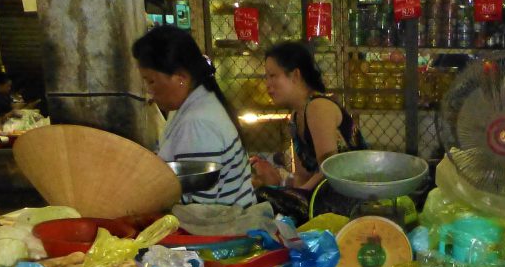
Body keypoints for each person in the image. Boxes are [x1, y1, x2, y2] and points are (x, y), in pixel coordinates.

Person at [132, 26, 256, 207]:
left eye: (151, 81)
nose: (150, 91)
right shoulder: (194, 105)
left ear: (181, 77)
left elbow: (198, 207)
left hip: (222, 232)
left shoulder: (198, 123)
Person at [249, 41, 365, 223]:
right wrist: (287, 189)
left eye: (273, 76)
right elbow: (301, 176)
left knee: (263, 197)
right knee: (262, 196)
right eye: (267, 77)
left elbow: (330, 169)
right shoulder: (296, 116)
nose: (268, 84)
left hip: (351, 197)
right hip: (326, 196)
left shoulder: (318, 107)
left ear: (295, 75)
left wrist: (296, 195)